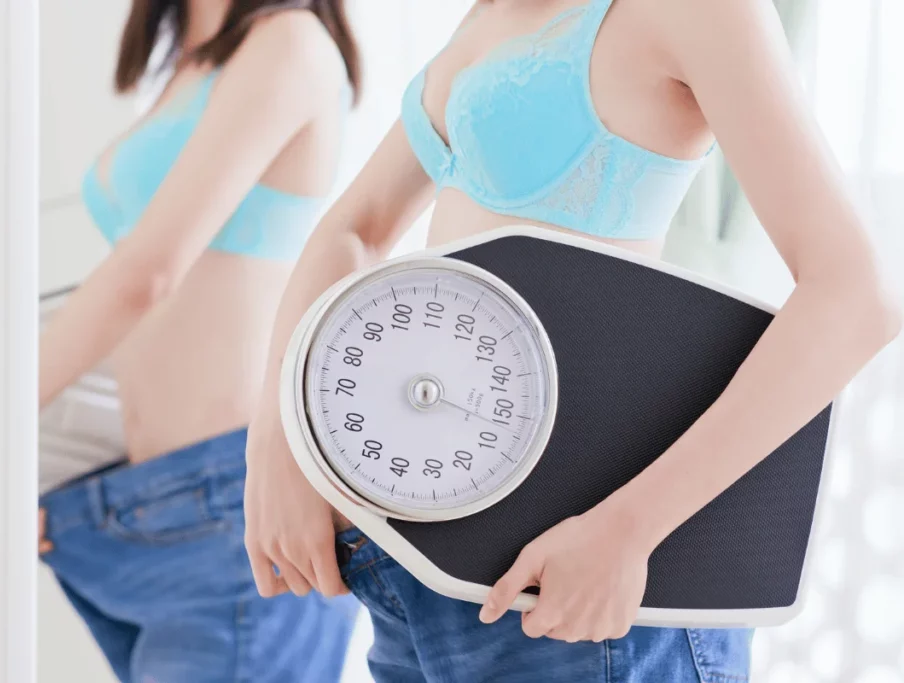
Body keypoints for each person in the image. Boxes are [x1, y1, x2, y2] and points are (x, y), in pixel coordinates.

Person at [244, 0, 901, 681]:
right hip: (416, 563)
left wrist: (628, 530)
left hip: (570, 577)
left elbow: (856, 295)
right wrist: (281, 440)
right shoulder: (487, 15)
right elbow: (354, 228)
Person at [36, 1, 362, 681]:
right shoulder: (189, 58)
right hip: (149, 503)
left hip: (236, 504)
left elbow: (147, 275)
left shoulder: (290, 41)